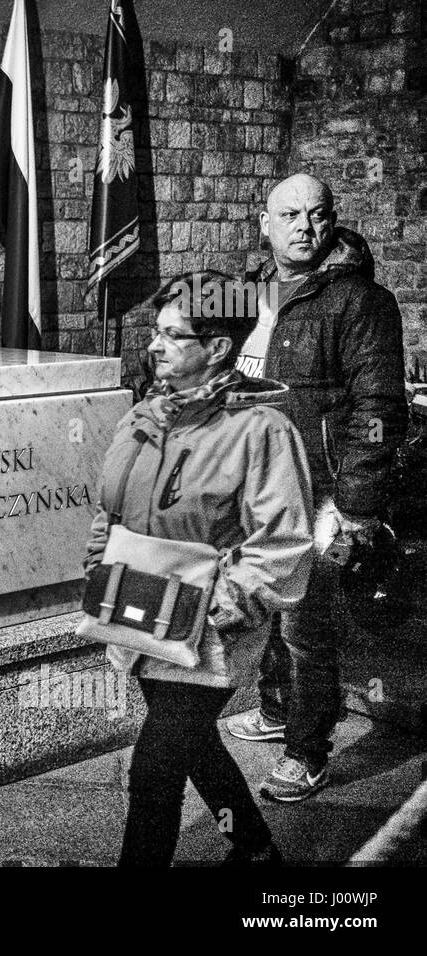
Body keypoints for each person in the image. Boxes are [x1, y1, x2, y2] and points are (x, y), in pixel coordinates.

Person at [86, 271, 315, 866]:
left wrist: (231, 601)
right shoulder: (146, 416)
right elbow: (115, 505)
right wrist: (103, 550)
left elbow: (285, 538)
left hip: (212, 626)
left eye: (172, 336)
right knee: (193, 744)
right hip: (140, 605)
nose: (154, 346)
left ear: (217, 348)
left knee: (156, 765)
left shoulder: (261, 429)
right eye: (155, 333)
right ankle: (255, 844)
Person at [225, 174, 406, 803]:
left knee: (307, 626)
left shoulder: (360, 302)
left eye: (318, 214)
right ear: (265, 222)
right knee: (277, 607)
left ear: (331, 222)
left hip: (315, 491)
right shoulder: (244, 293)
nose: (305, 226)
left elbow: (380, 408)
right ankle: (276, 710)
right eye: (291, 214)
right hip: (254, 484)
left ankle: (307, 751)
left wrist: (352, 505)